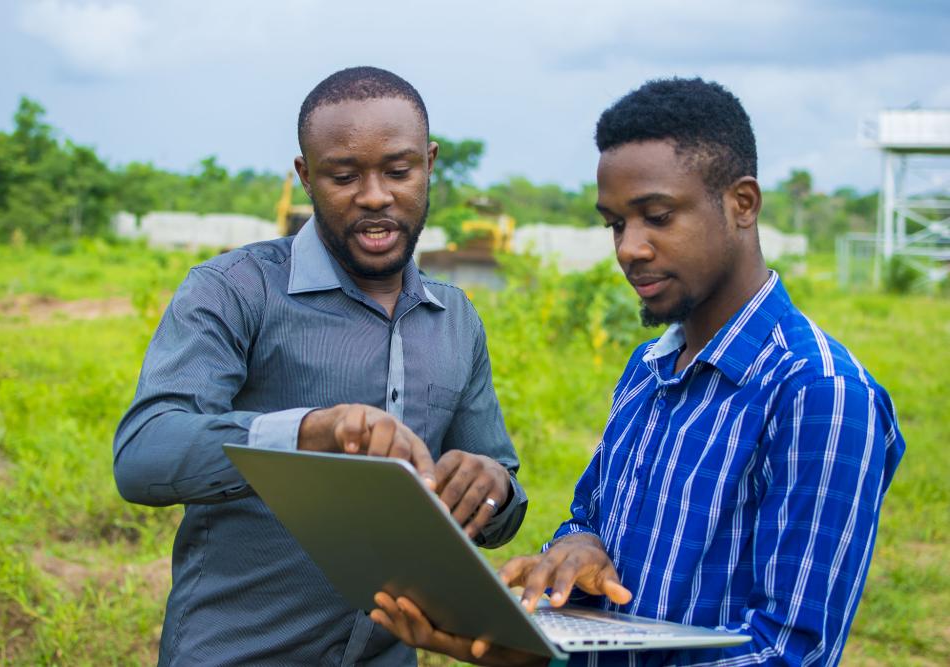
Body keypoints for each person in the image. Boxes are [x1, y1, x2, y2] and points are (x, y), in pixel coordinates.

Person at [369, 78, 905, 667]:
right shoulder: (648, 369)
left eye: (657, 216)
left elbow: (788, 653)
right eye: (615, 224)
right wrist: (574, 551)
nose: (630, 248)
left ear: (743, 204)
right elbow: (589, 517)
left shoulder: (818, 392)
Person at [113, 66, 528, 666]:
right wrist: (309, 432)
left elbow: (502, 500)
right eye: (343, 175)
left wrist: (492, 485)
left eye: (398, 170)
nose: (375, 195)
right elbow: (143, 455)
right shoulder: (233, 291)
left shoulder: (456, 319)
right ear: (305, 177)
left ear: (430, 163)